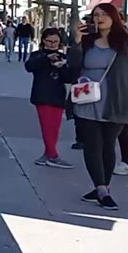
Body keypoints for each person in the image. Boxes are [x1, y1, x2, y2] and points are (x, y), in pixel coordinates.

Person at [65, 3, 128, 211]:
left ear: (114, 17)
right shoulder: (88, 41)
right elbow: (72, 65)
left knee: (108, 145)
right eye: (96, 15)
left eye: (104, 14)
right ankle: (101, 189)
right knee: (92, 145)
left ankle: (103, 187)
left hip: (116, 101)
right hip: (86, 99)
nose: (99, 18)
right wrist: (77, 41)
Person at [24, 28, 76, 169]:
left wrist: (62, 67)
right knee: (46, 126)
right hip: (42, 95)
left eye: (56, 42)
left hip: (58, 96)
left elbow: (69, 78)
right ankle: (53, 155)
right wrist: (46, 58)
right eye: (49, 41)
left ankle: (47, 154)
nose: (52, 44)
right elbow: (29, 67)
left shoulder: (63, 57)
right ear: (43, 40)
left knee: (55, 127)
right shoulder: (37, 55)